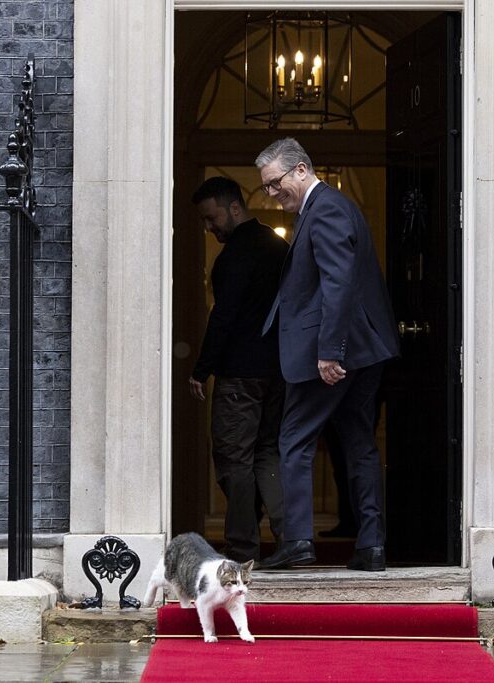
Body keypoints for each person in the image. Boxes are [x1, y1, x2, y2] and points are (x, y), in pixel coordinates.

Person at [253, 138, 400, 572]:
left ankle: (298, 540)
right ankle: (371, 546)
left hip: (336, 352)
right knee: (358, 442)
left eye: (275, 183)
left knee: (293, 440)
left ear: (301, 170)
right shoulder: (324, 208)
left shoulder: (328, 208)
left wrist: (329, 352)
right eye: (265, 188)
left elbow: (339, 283)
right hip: (361, 350)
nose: (272, 193)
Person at [189, 176, 289, 563]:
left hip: (240, 374)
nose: (209, 227)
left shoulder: (233, 257)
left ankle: (243, 547)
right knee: (268, 453)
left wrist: (202, 368)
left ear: (234, 208)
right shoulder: (280, 247)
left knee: (234, 460)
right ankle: (290, 539)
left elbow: (224, 315)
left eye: (212, 218)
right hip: (278, 370)